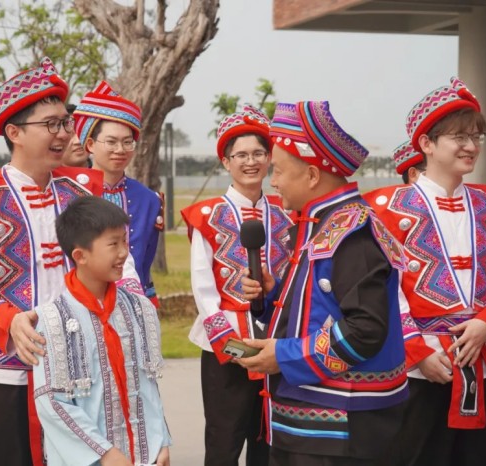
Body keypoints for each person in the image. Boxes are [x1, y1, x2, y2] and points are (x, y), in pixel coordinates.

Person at [0, 58, 141, 466]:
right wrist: (9, 320)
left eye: (65, 122)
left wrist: (134, 311)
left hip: (86, 373)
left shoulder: (82, 192)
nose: (64, 133)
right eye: (51, 124)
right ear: (14, 132)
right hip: (10, 377)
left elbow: (121, 264)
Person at [238, 101, 408, 466]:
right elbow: (321, 307)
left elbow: (365, 330)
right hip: (312, 421)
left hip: (340, 429)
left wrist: (284, 355)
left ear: (313, 175)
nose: (273, 181)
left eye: (278, 171)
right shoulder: (321, 224)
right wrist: (273, 294)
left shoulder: (352, 233)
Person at [364, 77, 486, 466]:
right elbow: (382, 287)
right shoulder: (384, 208)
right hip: (418, 370)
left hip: (481, 363)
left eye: (476, 136)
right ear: (426, 143)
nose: (471, 146)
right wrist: (418, 351)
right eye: (459, 137)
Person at [179, 105, 293, 466]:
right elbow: (203, 289)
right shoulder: (207, 215)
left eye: (258, 153)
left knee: (269, 440)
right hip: (225, 347)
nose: (250, 161)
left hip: (275, 343)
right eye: (241, 155)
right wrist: (234, 347)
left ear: (269, 158)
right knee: (224, 441)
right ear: (226, 162)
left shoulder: (287, 213)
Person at [33, 195, 171, 466]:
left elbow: (148, 383)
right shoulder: (53, 319)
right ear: (80, 256)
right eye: (113, 244)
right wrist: (104, 453)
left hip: (142, 455)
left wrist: (162, 440)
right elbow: (52, 402)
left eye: (124, 241)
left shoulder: (139, 309)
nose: (123, 253)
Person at [74, 81, 165, 306]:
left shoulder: (149, 200)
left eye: (127, 142)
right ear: (90, 144)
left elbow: (145, 263)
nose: (120, 150)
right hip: (79, 303)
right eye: (111, 142)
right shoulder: (70, 192)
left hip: (135, 305)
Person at [62, 103, 91, 168]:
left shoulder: (107, 172)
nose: (78, 141)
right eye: (70, 135)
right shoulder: (44, 174)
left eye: (82, 133)